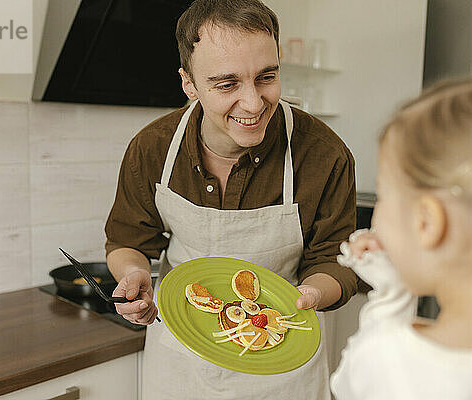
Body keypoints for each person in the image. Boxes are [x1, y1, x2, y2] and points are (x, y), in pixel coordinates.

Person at [104, 0, 358, 398]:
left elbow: (333, 261)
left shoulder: (323, 154)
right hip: (180, 362)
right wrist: (133, 276)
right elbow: (128, 242)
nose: (254, 103)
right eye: (226, 84)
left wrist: (310, 295)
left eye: (266, 77)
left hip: (283, 360)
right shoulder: (153, 148)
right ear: (189, 83)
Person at [331, 77, 472, 399]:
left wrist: (391, 296)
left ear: (427, 222)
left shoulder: (388, 361)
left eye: (383, 195)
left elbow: (346, 386)